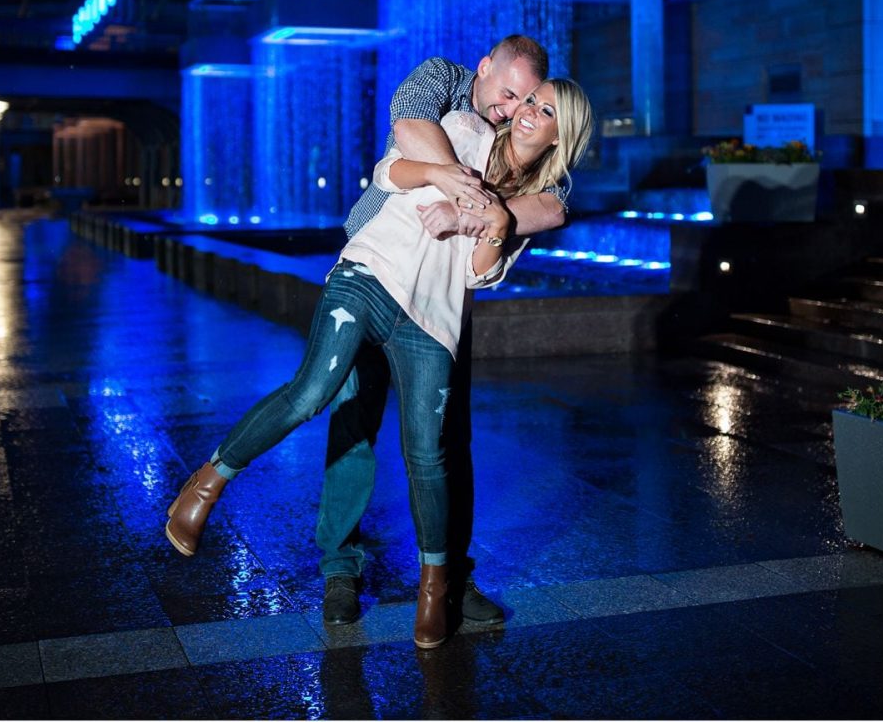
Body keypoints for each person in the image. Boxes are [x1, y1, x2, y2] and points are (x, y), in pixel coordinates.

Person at [165, 79, 593, 648]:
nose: (525, 113)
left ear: (562, 135)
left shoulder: (535, 201)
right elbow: (389, 174)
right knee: (314, 391)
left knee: (428, 453)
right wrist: (449, 180)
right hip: (370, 276)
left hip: (431, 321)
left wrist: (492, 220)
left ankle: (436, 591)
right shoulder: (464, 130)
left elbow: (478, 273)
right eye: (528, 101)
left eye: (543, 111)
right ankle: (204, 487)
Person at [323, 37, 571, 628]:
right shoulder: (440, 77)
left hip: (442, 299)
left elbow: (555, 198)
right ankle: (339, 567)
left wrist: (501, 215)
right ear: (484, 68)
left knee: (447, 439)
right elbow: (409, 126)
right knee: (354, 420)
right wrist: (473, 193)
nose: (512, 111)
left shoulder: (519, 129)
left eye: (527, 102)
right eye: (508, 93)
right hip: (376, 272)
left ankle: (451, 577)